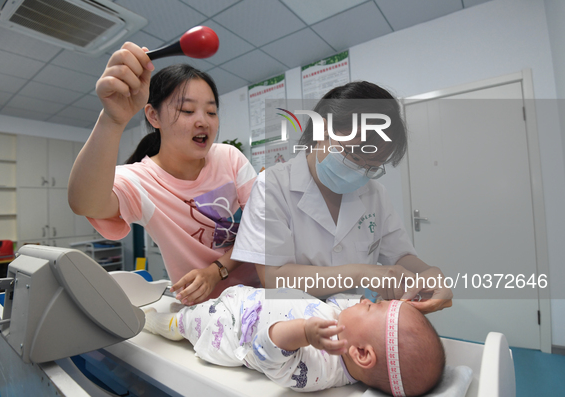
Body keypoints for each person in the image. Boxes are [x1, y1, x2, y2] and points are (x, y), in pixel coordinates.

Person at [231, 81, 453, 313]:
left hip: (357, 324)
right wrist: (361, 273)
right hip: (294, 326)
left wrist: (427, 273)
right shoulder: (273, 186)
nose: (360, 171)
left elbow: (399, 256)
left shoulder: (375, 194)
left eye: (372, 167)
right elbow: (273, 277)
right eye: (355, 157)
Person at [68, 42, 260, 305]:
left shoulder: (229, 157)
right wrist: (112, 119)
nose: (203, 120)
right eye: (187, 110)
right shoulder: (140, 181)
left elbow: (263, 227)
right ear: (153, 116)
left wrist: (216, 271)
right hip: (205, 315)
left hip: (260, 292)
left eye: (212, 111)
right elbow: (84, 203)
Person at [142, 286, 445, 396]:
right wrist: (380, 298)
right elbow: (343, 301)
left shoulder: (320, 371)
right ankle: (177, 313)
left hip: (226, 328)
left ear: (362, 353)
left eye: (370, 308)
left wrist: (303, 333)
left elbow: (265, 351)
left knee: (186, 320)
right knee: (192, 307)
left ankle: (159, 323)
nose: (366, 303)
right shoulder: (345, 326)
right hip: (245, 299)